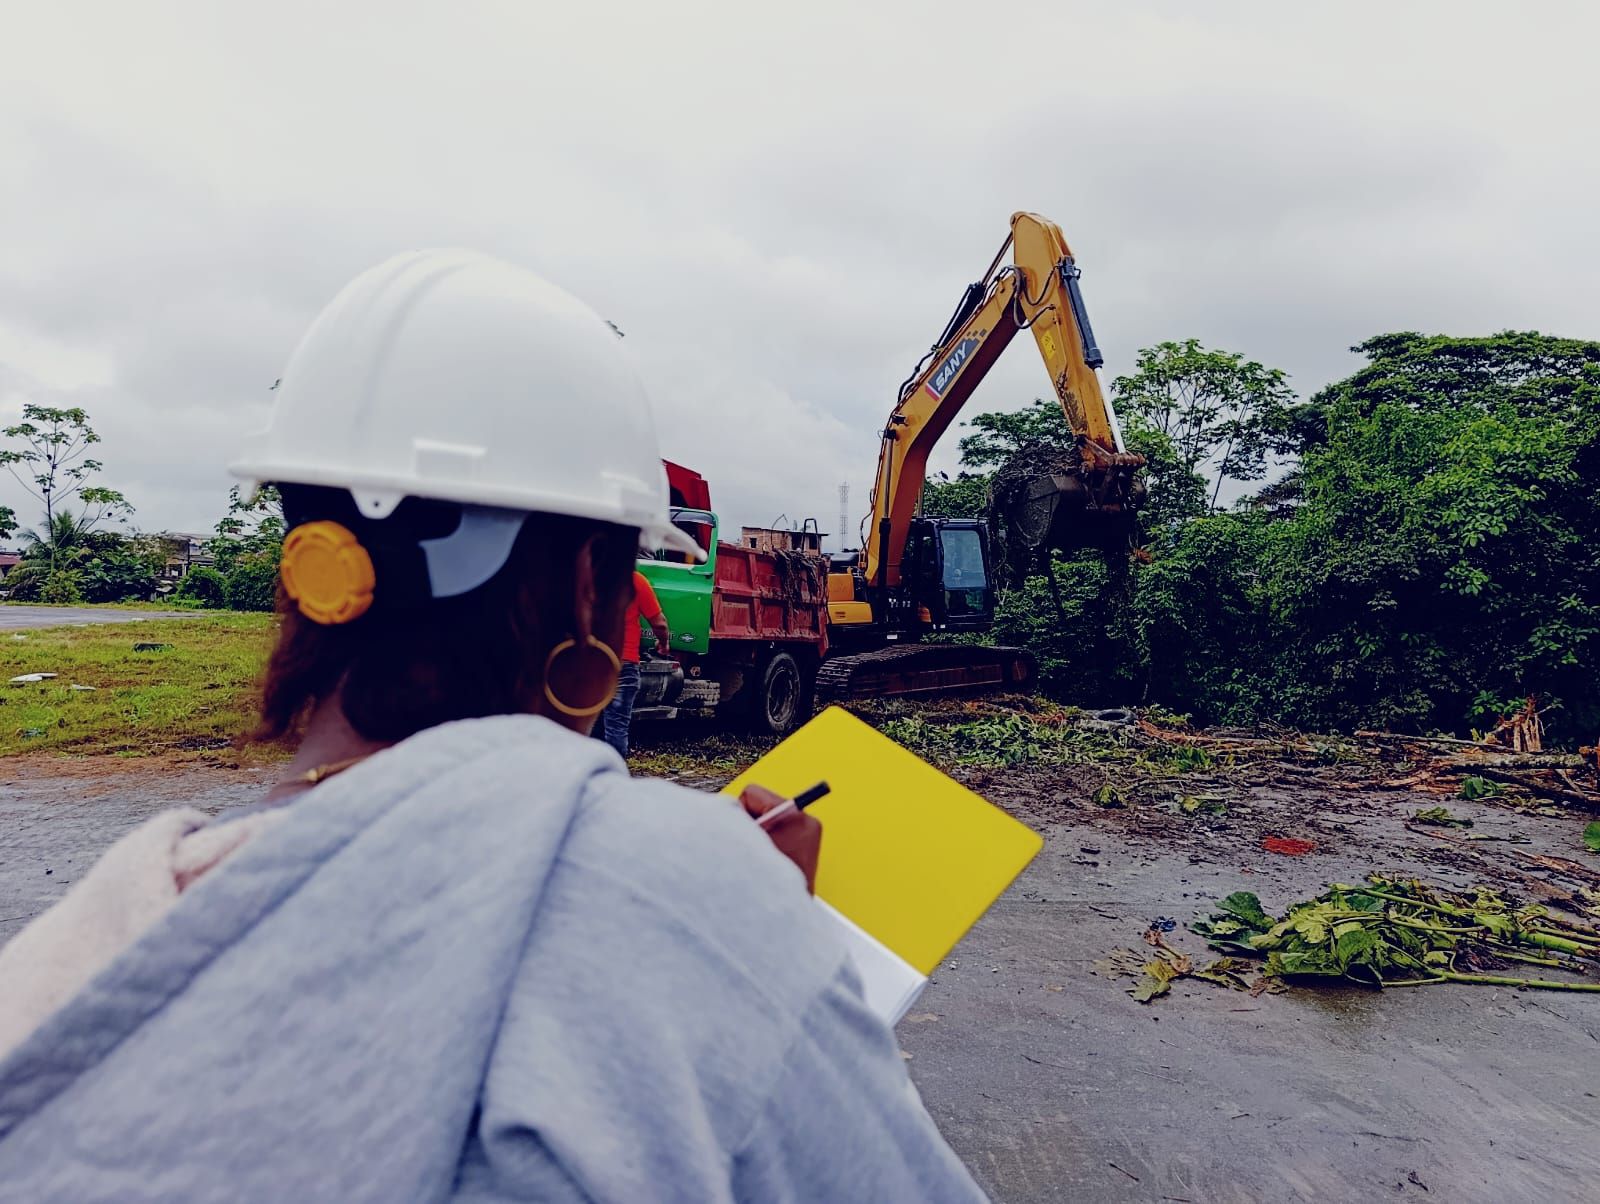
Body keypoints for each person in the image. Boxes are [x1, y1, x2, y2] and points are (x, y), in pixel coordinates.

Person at [0, 250, 985, 1203]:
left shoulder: (81, 944)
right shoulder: (695, 901)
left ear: (306, 566)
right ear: (596, 586)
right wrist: (757, 946)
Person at [596, 568, 669, 757]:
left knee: (583, 724)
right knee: (616, 727)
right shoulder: (636, 581)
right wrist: (663, 644)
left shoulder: (586, 578)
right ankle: (614, 776)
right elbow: (659, 623)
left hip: (592, 662)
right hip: (624, 663)